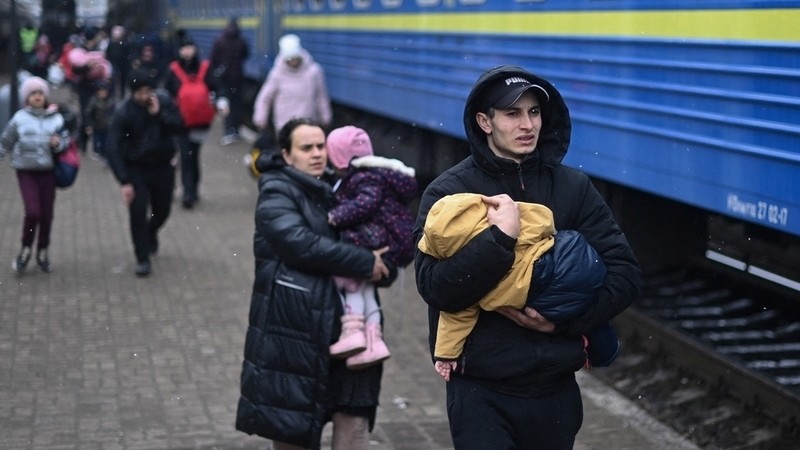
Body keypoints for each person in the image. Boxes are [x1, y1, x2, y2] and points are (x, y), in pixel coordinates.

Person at [413, 65, 641, 449]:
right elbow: (435, 287)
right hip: (481, 390)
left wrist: (560, 325)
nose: (527, 124)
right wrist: (500, 240)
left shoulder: (573, 187)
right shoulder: (450, 193)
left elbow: (625, 275)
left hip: (554, 389)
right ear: (485, 121)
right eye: (513, 113)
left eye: (534, 112)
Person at [236, 118, 392, 450]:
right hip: (296, 336)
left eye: (321, 146)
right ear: (286, 155)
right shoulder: (276, 191)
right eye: (306, 148)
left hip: (351, 337)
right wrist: (366, 262)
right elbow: (299, 243)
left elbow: (385, 236)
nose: (317, 154)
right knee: (293, 433)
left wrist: (387, 262)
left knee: (354, 429)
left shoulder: (347, 187)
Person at [418, 193, 618, 381]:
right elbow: (545, 219)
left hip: (546, 289)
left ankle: (601, 351)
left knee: (571, 311)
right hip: (574, 256)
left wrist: (446, 353)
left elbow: (457, 313)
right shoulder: (514, 227)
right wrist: (513, 211)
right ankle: (606, 350)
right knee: (589, 307)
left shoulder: (477, 273)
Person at [325, 125, 417, 369]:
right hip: (389, 239)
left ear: (340, 158)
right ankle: (373, 343)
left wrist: (335, 216)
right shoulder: (378, 174)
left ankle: (352, 334)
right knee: (366, 291)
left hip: (376, 240)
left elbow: (365, 203)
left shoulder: (363, 178)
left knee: (354, 281)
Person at [105, 69, 184, 277]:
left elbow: (179, 126)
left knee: (163, 210)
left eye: (147, 91)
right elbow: (113, 147)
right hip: (136, 169)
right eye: (139, 92)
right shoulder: (123, 112)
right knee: (138, 212)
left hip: (162, 166)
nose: (144, 96)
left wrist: (159, 114)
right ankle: (142, 257)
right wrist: (124, 180)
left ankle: (152, 231)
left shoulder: (164, 102)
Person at [0, 76, 70, 274]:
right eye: (33, 93)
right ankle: (25, 248)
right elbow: (5, 143)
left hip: (48, 172)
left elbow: (65, 142)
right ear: (26, 98)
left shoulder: (56, 118)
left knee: (47, 215)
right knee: (33, 212)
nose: (37, 96)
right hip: (26, 172)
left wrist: (59, 144)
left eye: (40, 93)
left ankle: (42, 250)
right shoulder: (19, 119)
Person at [164, 34, 225, 209]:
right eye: (184, 48)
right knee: (186, 155)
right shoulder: (174, 70)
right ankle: (189, 192)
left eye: (190, 47)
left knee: (192, 155)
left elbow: (216, 87)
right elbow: (168, 94)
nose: (187, 51)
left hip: (199, 122)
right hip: (180, 122)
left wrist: (221, 101)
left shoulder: (204, 68)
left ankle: (192, 189)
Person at [252, 34, 332, 138]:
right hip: (285, 126)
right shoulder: (277, 74)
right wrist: (260, 119)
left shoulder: (314, 72)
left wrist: (326, 117)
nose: (293, 62)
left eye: (295, 58)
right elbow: (265, 98)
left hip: (308, 123)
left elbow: (321, 96)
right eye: (290, 59)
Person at [209, 17, 249, 145]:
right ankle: (236, 130)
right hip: (237, 78)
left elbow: (213, 59)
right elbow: (245, 55)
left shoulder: (220, 41)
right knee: (237, 105)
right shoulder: (241, 41)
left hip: (224, 80)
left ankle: (228, 131)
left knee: (226, 105)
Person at [84, 80, 115, 163]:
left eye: (105, 91)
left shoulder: (111, 101)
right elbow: (88, 114)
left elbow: (114, 114)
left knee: (106, 143)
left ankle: (105, 157)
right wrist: (88, 125)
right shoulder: (93, 101)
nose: (103, 93)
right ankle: (99, 153)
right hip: (97, 126)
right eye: (101, 91)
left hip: (108, 127)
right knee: (97, 143)